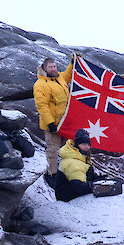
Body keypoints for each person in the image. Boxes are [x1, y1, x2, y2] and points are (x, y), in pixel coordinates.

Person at [33, 56, 75, 187]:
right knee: (53, 150)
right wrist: (50, 123)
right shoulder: (40, 85)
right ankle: (51, 174)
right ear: (44, 68)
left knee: (66, 149)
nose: (53, 69)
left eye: (54, 66)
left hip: (65, 123)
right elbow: (42, 106)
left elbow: (68, 75)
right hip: (52, 124)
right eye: (50, 67)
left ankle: (64, 171)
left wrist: (73, 63)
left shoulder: (60, 77)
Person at [55, 129, 105, 202]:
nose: (87, 147)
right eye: (84, 144)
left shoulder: (81, 159)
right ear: (77, 145)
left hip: (73, 196)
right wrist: (96, 184)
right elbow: (79, 188)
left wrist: (99, 179)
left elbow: (87, 177)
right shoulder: (72, 162)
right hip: (68, 200)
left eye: (88, 145)